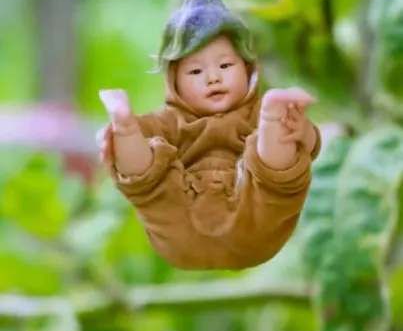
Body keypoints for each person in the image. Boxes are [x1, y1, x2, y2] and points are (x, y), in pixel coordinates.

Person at [96, 33, 321, 271]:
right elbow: (144, 142)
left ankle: (275, 115)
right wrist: (122, 141)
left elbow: (312, 146)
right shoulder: (170, 121)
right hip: (181, 226)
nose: (213, 78)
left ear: (248, 70)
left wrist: (303, 131)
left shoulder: (253, 116)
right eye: (195, 72)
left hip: (256, 222)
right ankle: (124, 127)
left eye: (225, 65)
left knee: (277, 178)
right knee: (149, 183)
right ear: (174, 81)